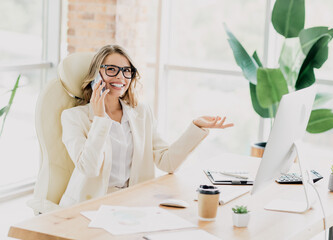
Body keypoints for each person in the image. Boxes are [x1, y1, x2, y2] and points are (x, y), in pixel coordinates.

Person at [59, 45, 233, 207]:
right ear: (97, 75)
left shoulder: (142, 113)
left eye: (127, 71)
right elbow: (89, 168)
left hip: (132, 203)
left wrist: (196, 127)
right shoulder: (73, 117)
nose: (120, 77)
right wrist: (99, 118)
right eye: (111, 69)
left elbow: (168, 162)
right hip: (89, 206)